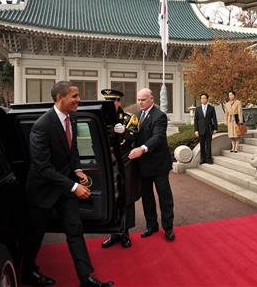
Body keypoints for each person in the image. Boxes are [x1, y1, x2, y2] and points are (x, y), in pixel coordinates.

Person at [22, 81, 114, 287]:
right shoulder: (42, 126)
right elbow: (43, 168)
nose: (78, 99)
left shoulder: (71, 119)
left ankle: (86, 279)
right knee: (35, 236)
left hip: (64, 187)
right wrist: (74, 187)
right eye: (74, 96)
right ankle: (27, 272)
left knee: (75, 230)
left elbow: (71, 151)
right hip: (42, 190)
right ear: (59, 98)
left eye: (78, 95)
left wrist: (78, 170)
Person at [128, 88, 175, 241]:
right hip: (143, 165)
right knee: (147, 197)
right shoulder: (136, 116)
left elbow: (158, 137)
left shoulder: (159, 116)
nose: (140, 102)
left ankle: (168, 228)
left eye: (143, 99)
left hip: (159, 164)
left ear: (151, 99)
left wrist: (142, 149)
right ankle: (151, 225)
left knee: (164, 197)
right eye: (138, 99)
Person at [100, 89, 141, 249]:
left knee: (127, 197)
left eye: (114, 101)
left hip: (125, 161)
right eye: (108, 101)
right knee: (112, 197)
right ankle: (113, 233)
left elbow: (135, 136)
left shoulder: (130, 118)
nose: (111, 104)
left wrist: (124, 132)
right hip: (108, 162)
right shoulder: (100, 118)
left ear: (119, 102)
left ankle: (124, 233)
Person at [194, 93, 218, 164]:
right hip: (200, 129)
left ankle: (208, 159)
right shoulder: (197, 109)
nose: (203, 99)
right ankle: (202, 159)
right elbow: (196, 120)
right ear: (200, 100)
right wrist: (196, 130)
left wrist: (215, 128)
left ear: (207, 99)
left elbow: (214, 119)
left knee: (208, 144)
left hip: (209, 129)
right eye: (202, 98)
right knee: (202, 145)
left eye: (204, 98)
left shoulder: (211, 108)